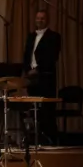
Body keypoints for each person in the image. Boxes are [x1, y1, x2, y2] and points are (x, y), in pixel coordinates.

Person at [22, 9, 62, 143]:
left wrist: (38, 70)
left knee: (46, 109)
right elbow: (26, 55)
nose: (40, 20)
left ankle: (50, 138)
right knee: (33, 108)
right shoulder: (31, 36)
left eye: (42, 18)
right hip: (31, 77)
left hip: (45, 76)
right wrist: (27, 70)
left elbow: (52, 57)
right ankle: (35, 137)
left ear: (47, 20)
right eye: (38, 18)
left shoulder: (54, 36)